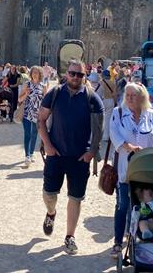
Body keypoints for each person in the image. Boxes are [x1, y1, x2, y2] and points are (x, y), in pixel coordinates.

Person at [37, 60, 104, 255]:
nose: (76, 78)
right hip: (56, 154)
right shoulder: (55, 93)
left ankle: (69, 236)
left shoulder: (92, 98)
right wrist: (48, 145)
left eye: (80, 75)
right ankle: (51, 213)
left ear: (85, 76)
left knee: (75, 197)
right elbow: (40, 119)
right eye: (73, 74)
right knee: (49, 194)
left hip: (79, 157)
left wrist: (92, 152)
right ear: (67, 74)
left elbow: (99, 129)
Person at [108, 82, 153, 259]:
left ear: (141, 97)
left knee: (144, 205)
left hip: (147, 171)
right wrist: (128, 146)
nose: (129, 97)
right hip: (126, 169)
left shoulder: (151, 115)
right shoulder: (118, 113)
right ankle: (117, 242)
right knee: (122, 206)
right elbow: (114, 135)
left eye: (133, 95)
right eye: (127, 94)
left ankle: (140, 236)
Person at [18, 66, 47, 167]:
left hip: (37, 114)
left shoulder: (43, 86)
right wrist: (26, 94)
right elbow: (20, 99)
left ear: (40, 74)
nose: (35, 74)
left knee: (34, 133)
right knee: (27, 133)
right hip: (27, 112)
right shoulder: (27, 84)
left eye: (36, 72)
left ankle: (31, 153)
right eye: (33, 72)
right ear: (31, 74)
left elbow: (45, 101)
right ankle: (27, 156)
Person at [100, 70, 118, 140]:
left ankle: (100, 134)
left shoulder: (100, 82)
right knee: (108, 119)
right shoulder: (113, 82)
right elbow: (115, 94)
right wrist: (115, 102)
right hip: (110, 100)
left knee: (101, 119)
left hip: (102, 100)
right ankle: (106, 136)